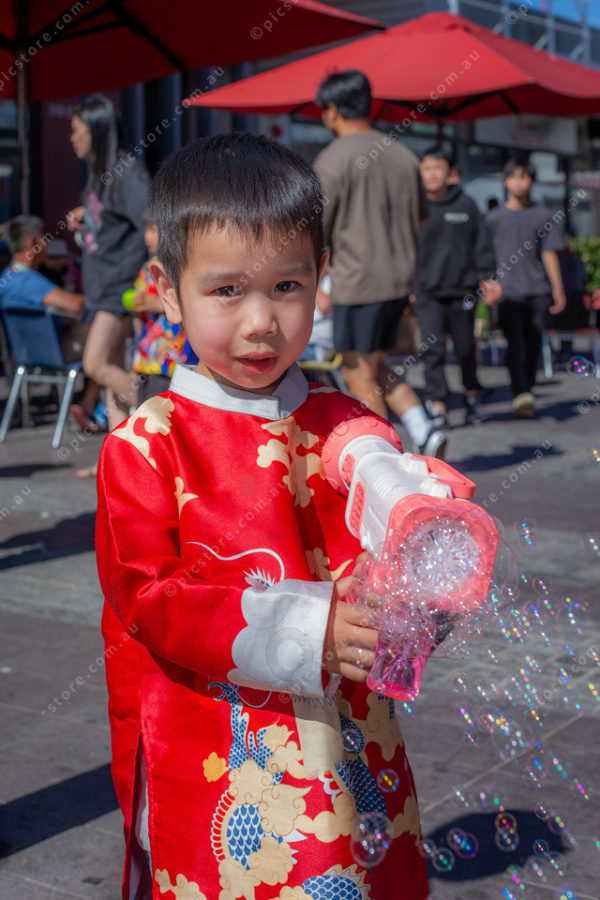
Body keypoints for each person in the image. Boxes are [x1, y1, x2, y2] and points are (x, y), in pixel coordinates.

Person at [95, 134, 429, 900]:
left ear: (320, 279)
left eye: (286, 286)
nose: (260, 322)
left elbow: (389, 557)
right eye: (225, 290)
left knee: (353, 864)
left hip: (345, 733)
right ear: (167, 290)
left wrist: (421, 580)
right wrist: (313, 627)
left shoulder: (346, 425)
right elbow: (150, 598)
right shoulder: (149, 444)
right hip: (219, 744)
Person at [313, 70, 447, 457]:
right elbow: (422, 218)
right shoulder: (404, 156)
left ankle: (381, 456)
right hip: (399, 281)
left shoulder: (333, 158)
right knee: (375, 365)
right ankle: (424, 429)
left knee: (357, 371)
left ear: (332, 110)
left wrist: (315, 283)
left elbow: (315, 230)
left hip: (358, 282)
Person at [67, 94, 149, 430]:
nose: (73, 138)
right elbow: (112, 220)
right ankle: (120, 450)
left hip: (119, 287)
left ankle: (164, 414)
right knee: (113, 373)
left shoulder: (125, 172)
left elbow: (151, 223)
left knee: (95, 364)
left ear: (96, 130)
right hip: (103, 287)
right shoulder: (101, 173)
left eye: (77, 130)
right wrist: (86, 217)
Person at [416, 146, 496, 427]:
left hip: (463, 291)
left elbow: (482, 244)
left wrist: (487, 276)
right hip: (426, 291)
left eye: (438, 168)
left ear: (449, 173)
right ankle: (438, 404)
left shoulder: (466, 205)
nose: (432, 174)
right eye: (427, 168)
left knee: (465, 348)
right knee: (432, 349)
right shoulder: (414, 206)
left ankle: (471, 396)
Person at [486, 158, 566, 418]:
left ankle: (527, 388)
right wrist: (487, 284)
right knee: (515, 344)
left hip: (538, 290)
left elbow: (549, 253)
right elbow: (485, 256)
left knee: (533, 344)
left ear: (532, 181)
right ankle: (521, 393)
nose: (518, 183)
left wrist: (558, 289)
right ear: (505, 182)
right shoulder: (494, 218)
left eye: (524, 177)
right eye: (513, 177)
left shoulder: (543, 216)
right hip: (506, 293)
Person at [129, 215, 197, 404]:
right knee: (145, 407)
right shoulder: (147, 267)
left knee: (162, 409)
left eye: (153, 230)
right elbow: (139, 304)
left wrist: (158, 305)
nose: (147, 237)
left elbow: (191, 305)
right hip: (147, 356)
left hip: (170, 360)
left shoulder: (182, 266)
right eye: (147, 230)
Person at [0, 215, 86, 360]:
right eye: (43, 237)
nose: (46, 244)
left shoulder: (7, 277)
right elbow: (77, 305)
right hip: (51, 353)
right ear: (32, 242)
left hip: (23, 353)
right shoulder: (27, 281)